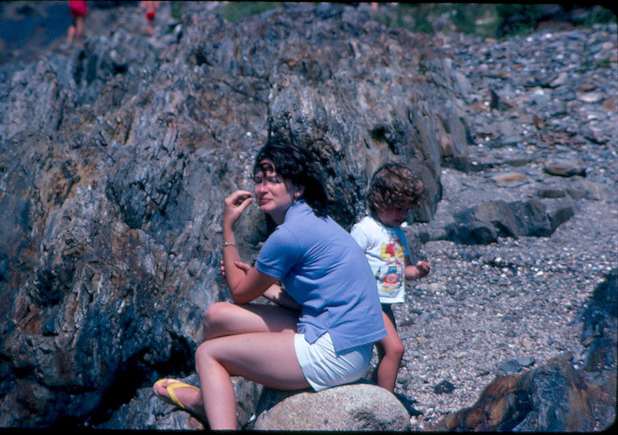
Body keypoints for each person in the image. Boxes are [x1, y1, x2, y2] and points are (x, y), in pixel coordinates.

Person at [153, 138, 387, 430]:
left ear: (298, 187)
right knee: (216, 317)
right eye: (259, 180)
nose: (262, 189)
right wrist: (265, 287)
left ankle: (218, 419)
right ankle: (211, 402)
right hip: (344, 338)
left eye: (273, 181)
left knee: (207, 353)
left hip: (335, 352)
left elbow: (238, 291)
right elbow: (313, 299)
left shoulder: (288, 235)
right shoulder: (316, 220)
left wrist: (228, 227)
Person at [350, 162, 431, 393]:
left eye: (406, 209)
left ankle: (377, 392)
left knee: (387, 352)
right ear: (379, 201)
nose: (402, 215)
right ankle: (386, 401)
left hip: (385, 304)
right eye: (397, 208)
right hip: (368, 301)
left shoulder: (398, 234)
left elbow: (403, 269)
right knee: (395, 350)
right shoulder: (364, 230)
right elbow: (347, 264)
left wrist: (418, 271)